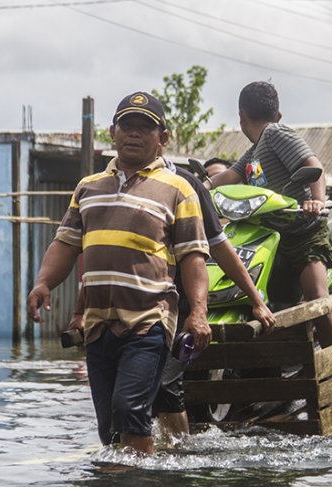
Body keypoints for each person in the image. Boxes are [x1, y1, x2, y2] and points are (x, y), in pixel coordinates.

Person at [27, 91, 211, 455]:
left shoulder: (179, 189)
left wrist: (199, 312)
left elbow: (193, 257)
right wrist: (43, 283)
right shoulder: (89, 188)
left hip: (149, 320)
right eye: (127, 125)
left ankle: (139, 478)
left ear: (163, 138)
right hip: (98, 325)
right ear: (112, 131)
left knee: (130, 410)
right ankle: (129, 473)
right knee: (109, 428)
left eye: (146, 127)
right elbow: (65, 244)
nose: (135, 134)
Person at [67, 155, 276, 439]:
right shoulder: (105, 187)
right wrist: (80, 312)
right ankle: (146, 449)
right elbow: (100, 260)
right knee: (126, 401)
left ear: (160, 140)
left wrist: (256, 301)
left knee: (165, 385)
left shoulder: (185, 186)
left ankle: (176, 453)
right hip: (118, 312)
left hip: (170, 304)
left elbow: (219, 248)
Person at [205, 81, 332, 348]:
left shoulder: (276, 133)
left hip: (303, 231)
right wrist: (202, 186)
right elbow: (230, 175)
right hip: (270, 235)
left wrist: (318, 201)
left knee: (317, 300)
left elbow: (314, 165)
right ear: (277, 112)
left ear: (241, 115)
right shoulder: (255, 149)